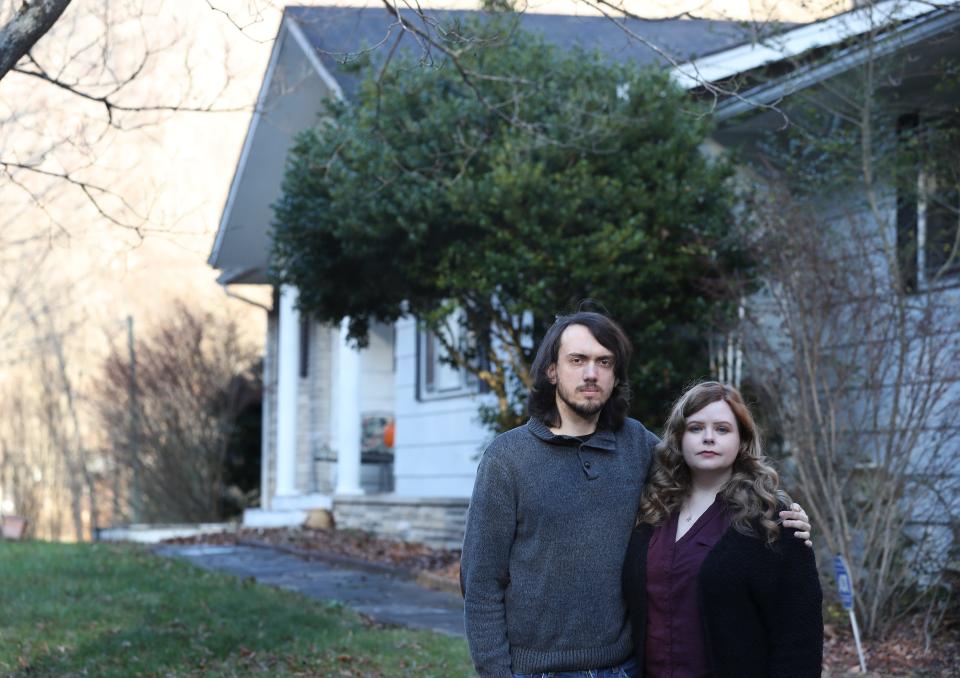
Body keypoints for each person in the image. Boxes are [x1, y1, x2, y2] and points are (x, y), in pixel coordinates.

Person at [460, 312, 812, 678]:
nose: (591, 373)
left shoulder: (638, 445)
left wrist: (781, 514)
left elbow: (711, 466)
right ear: (552, 371)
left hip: (626, 668)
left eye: (604, 362)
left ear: (615, 375)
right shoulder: (507, 458)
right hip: (538, 672)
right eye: (577, 360)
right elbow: (481, 582)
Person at [622, 381, 823, 677]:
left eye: (722, 429)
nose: (708, 438)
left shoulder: (772, 521)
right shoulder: (651, 512)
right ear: (679, 438)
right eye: (695, 428)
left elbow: (799, 640)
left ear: (741, 440)